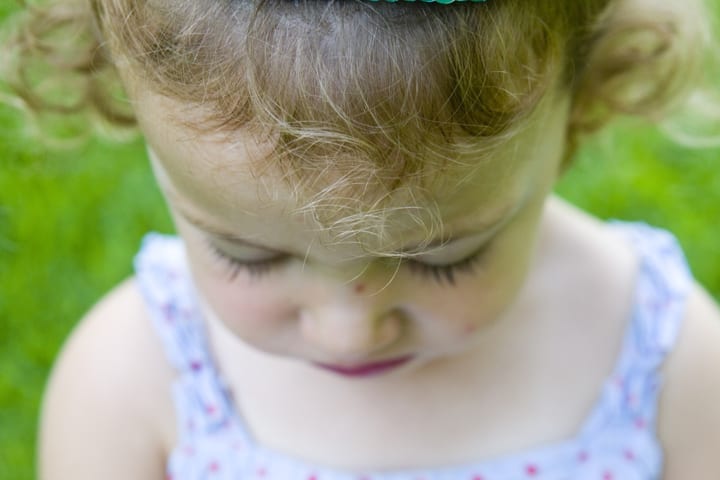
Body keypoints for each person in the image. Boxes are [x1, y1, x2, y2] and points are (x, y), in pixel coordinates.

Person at [6, 0, 720, 478]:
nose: (349, 332)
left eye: (443, 258)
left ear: (585, 98)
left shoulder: (666, 366)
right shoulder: (133, 385)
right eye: (247, 254)